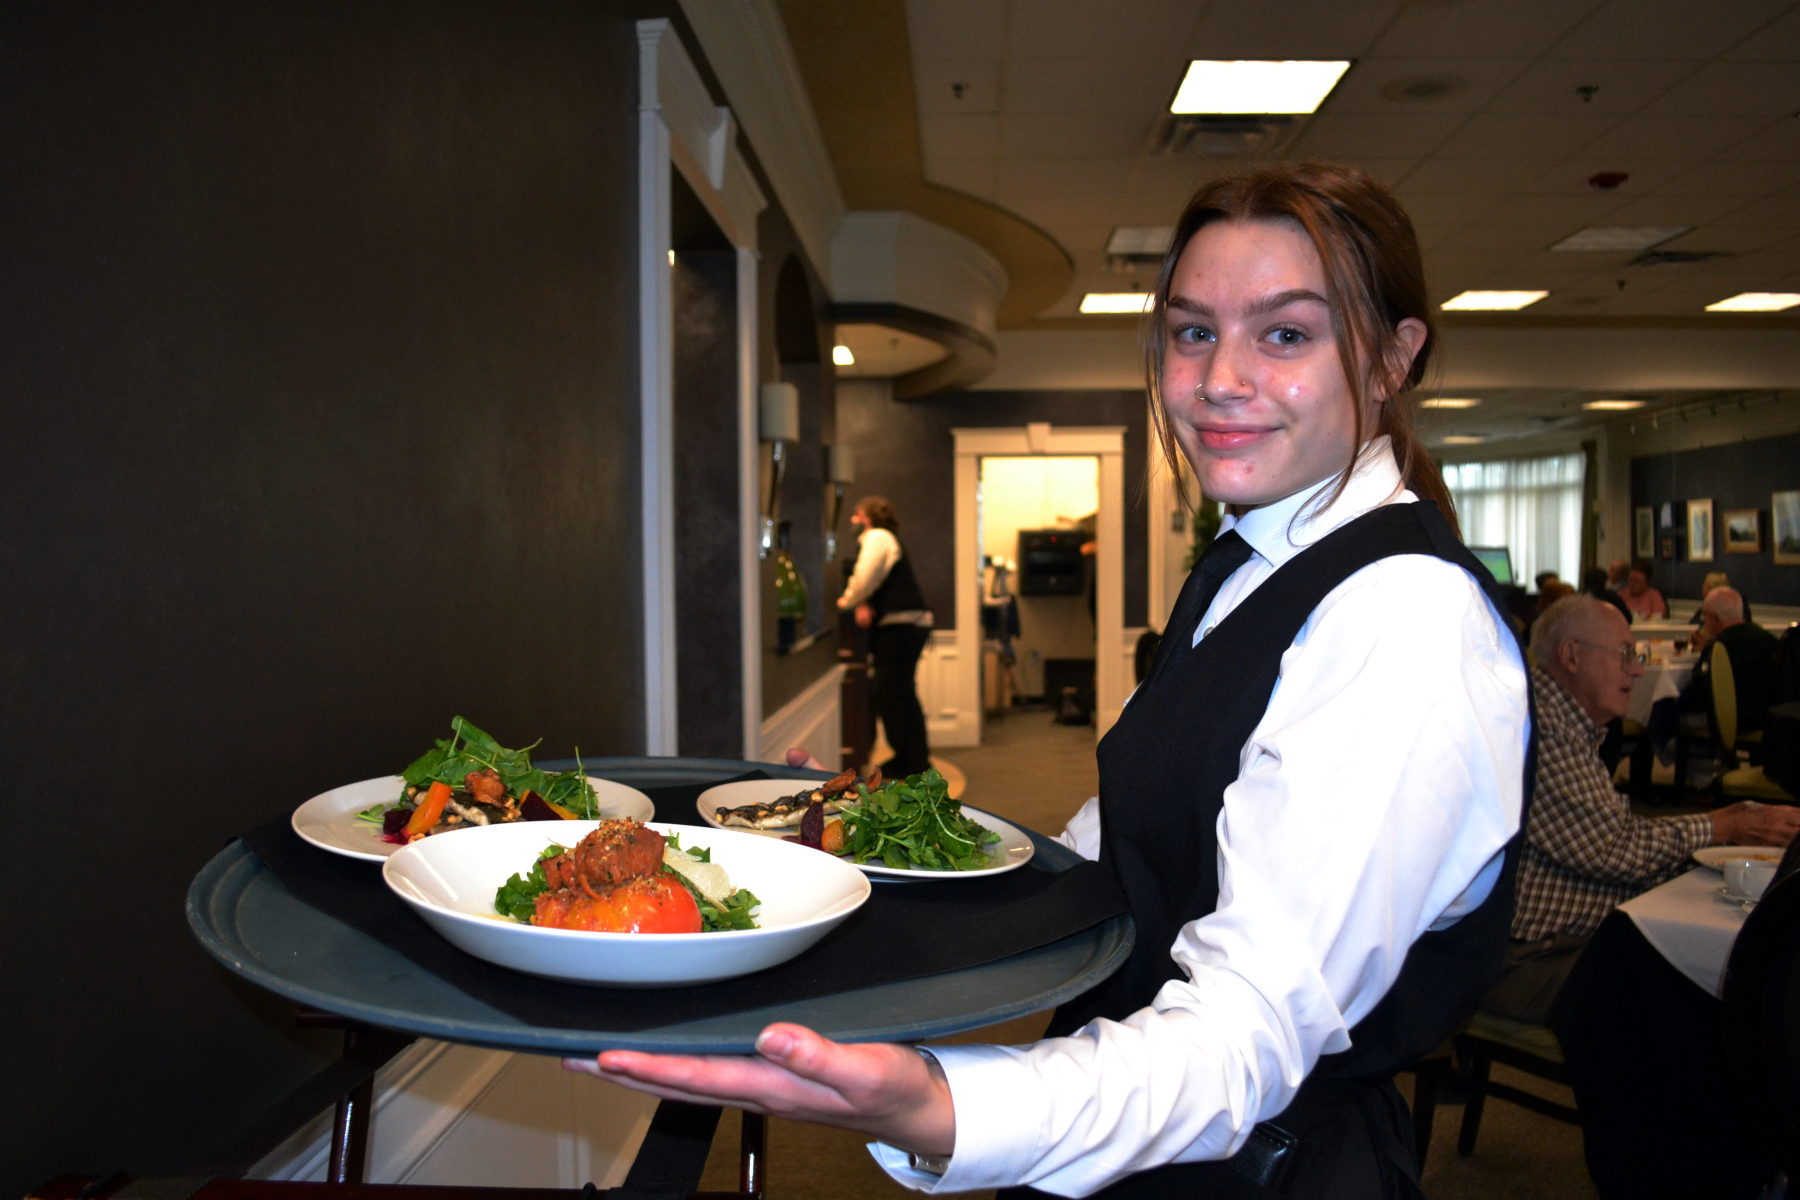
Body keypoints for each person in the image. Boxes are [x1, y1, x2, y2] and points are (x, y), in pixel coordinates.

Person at [571, 162, 1532, 1198]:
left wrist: (943, 1103)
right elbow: (1118, 841)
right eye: (1193, 330)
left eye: (1286, 334)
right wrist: (872, 828)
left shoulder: (1403, 621)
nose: (1219, 379)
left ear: (1394, 359)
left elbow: (1241, 1037)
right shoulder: (1250, 567)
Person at [1482, 595, 1800, 1023]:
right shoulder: (1542, 731)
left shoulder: (1568, 725)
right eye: (1626, 655)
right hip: (1522, 965)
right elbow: (1619, 849)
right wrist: (1729, 823)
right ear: (1571, 655)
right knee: (1703, 996)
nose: (1637, 669)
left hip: (1561, 942)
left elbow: (1613, 841)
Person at [838, 496, 934, 778]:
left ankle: (912, 763)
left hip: (901, 625)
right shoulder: (886, 537)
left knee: (889, 692)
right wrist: (864, 601)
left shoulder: (877, 536)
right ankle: (911, 760)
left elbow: (866, 576)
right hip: (906, 625)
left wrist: (850, 601)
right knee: (900, 693)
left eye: (856, 515)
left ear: (867, 518)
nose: (853, 521)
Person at [1680, 586, 1779, 734]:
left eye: (1705, 615)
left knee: (1669, 720)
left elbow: (1699, 690)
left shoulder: (1719, 645)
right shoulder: (1769, 639)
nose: (1704, 621)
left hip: (1733, 722)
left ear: (1714, 617)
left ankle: (1704, 757)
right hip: (1770, 719)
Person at [1686, 570, 1751, 628]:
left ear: (1712, 587)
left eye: (1705, 584)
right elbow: (1692, 625)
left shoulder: (1737, 604)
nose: (1702, 586)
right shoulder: (1706, 608)